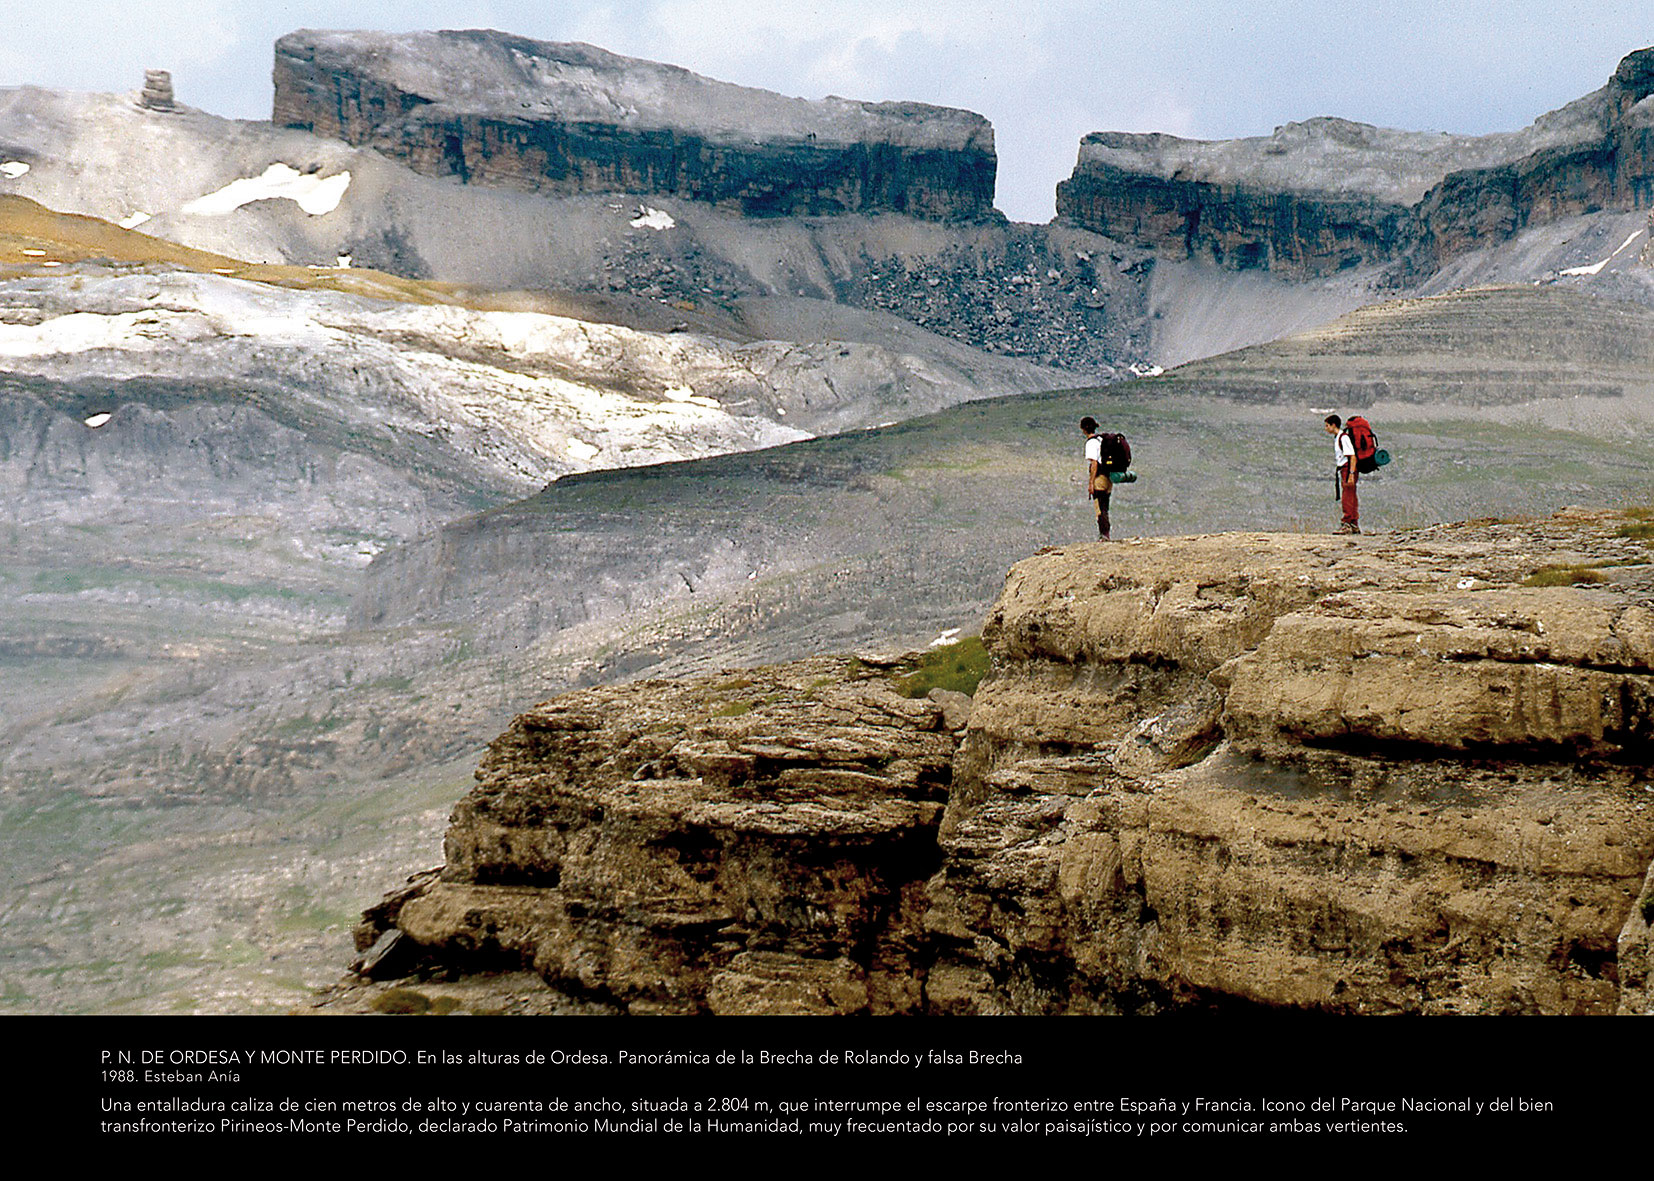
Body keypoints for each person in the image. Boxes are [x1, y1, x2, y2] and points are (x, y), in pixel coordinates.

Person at [1324, 414, 1359, 534]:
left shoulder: (1343, 437)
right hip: (1346, 468)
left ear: (1333, 425)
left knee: (1347, 496)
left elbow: (1352, 456)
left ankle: (1347, 522)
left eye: (1327, 425)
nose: (1326, 428)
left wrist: (1351, 473)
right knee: (1351, 495)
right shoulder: (1338, 437)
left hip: (1347, 468)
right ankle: (1354, 523)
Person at [1080, 416, 1112, 540]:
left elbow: (1094, 464)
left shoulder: (1091, 443)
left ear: (1083, 429)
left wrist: (1091, 483)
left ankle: (1104, 535)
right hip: (1109, 478)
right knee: (1105, 506)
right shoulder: (1100, 440)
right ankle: (1106, 533)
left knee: (1099, 507)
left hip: (1100, 478)